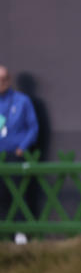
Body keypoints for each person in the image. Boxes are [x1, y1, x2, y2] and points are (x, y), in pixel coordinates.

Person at [0, 65, 39, 242]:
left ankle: (20, 232)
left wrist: (21, 147)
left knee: (16, 193)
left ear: (9, 80)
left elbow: (33, 127)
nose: (1, 83)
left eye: (4, 79)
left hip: (13, 155)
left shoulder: (21, 101)